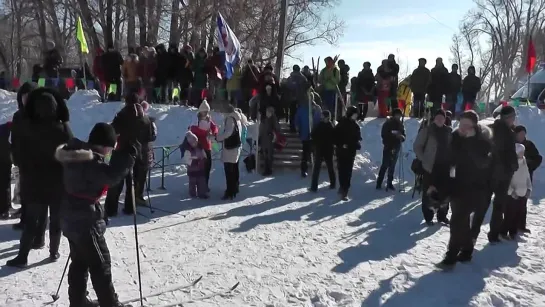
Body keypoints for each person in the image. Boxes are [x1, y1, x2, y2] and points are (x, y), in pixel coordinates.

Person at [55, 123, 137, 307]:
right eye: (111, 147)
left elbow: (104, 173)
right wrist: (127, 158)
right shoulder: (88, 162)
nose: (110, 151)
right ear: (104, 145)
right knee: (101, 265)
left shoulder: (77, 154)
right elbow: (110, 176)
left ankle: (78, 302)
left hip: (70, 216)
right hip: (83, 221)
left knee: (80, 262)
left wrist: (122, 154)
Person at [7, 87, 73, 267]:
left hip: (33, 182)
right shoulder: (62, 129)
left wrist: (26, 168)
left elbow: (18, 154)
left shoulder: (27, 128)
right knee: (56, 219)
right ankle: (54, 251)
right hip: (57, 182)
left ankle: (23, 256)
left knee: (30, 221)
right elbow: (71, 154)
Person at [437, 110, 492, 269]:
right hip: (456, 186)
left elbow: (483, 164)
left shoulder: (482, 142)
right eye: (461, 124)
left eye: (467, 126)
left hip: (475, 189)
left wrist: (470, 142)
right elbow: (449, 161)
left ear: (475, 127)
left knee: (456, 221)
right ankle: (467, 251)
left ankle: (451, 257)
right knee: (461, 222)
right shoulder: (454, 138)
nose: (463, 128)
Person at [105, 93, 155, 216]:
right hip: (138, 153)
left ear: (126, 101)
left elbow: (112, 132)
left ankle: (111, 210)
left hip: (122, 152)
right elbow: (150, 137)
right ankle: (130, 207)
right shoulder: (146, 118)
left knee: (116, 182)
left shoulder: (121, 115)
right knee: (133, 182)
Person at [413, 109, 452, 226]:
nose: (440, 120)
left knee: (445, 192)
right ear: (434, 119)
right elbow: (417, 146)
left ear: (445, 119)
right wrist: (423, 158)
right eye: (438, 118)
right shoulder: (428, 130)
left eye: (442, 118)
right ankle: (428, 217)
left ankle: (442, 216)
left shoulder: (449, 131)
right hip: (430, 167)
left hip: (445, 167)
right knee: (428, 192)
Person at [487, 105, 518, 243]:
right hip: (500, 173)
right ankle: (492, 234)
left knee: (489, 204)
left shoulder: (499, 129)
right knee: (496, 205)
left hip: (496, 172)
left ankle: (492, 233)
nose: (514, 119)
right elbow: (501, 152)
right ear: (508, 118)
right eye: (513, 117)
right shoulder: (503, 131)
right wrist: (512, 165)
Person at [11, 82, 38, 229]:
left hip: (38, 160)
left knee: (36, 194)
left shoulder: (40, 116)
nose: (26, 99)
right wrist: (15, 156)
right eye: (23, 96)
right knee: (24, 192)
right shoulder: (18, 116)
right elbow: (14, 139)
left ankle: (36, 223)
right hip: (23, 160)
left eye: (29, 96)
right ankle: (25, 218)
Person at [514, 125, 542, 233]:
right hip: (513, 179)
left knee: (523, 203)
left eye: (523, 134)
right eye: (519, 134)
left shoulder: (529, 145)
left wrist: (530, 165)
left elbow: (538, 158)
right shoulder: (512, 145)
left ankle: (521, 225)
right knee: (512, 204)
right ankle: (510, 226)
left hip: (525, 178)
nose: (521, 136)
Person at [501, 143, 532, 240]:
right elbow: (506, 180)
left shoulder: (524, 161)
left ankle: (513, 232)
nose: (522, 153)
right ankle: (503, 232)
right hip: (513, 194)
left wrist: (529, 188)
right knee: (509, 214)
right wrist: (511, 192)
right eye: (520, 152)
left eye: (523, 151)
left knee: (518, 214)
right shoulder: (511, 164)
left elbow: (527, 176)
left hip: (523, 192)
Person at [216, 105, 245, 199]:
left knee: (229, 171)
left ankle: (230, 192)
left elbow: (228, 133)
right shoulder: (237, 118)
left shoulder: (230, 119)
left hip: (230, 149)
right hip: (236, 147)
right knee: (235, 169)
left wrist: (218, 137)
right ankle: (235, 188)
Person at [334, 106, 362, 200]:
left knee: (348, 172)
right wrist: (341, 144)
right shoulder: (341, 123)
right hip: (341, 151)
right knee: (341, 171)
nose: (356, 116)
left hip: (351, 152)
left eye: (356, 115)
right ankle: (342, 187)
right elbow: (335, 137)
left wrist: (357, 143)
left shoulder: (356, 126)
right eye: (354, 114)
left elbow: (358, 137)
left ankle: (345, 190)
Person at [189, 100, 218, 188]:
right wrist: (205, 133)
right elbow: (193, 129)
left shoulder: (209, 119)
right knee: (198, 168)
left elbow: (215, 127)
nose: (206, 113)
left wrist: (214, 132)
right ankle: (198, 186)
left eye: (207, 111)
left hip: (207, 146)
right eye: (204, 111)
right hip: (198, 147)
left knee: (207, 167)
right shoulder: (196, 119)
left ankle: (205, 185)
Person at [376, 108, 405, 191]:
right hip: (388, 146)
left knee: (392, 166)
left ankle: (389, 183)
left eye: (399, 115)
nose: (398, 117)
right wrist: (394, 136)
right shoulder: (388, 123)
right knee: (385, 165)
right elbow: (384, 134)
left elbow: (403, 134)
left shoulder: (401, 124)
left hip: (396, 146)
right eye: (397, 115)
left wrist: (402, 137)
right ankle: (379, 182)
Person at [310, 110, 336, 192]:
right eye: (322, 116)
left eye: (323, 116)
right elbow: (313, 135)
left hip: (327, 150)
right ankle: (314, 187)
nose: (322, 118)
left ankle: (333, 183)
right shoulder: (320, 125)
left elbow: (334, 139)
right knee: (317, 168)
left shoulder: (330, 126)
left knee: (330, 167)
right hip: (320, 149)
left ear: (327, 117)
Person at [294, 100, 322, 177]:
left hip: (315, 135)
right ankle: (304, 170)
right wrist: (297, 127)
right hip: (305, 134)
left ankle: (315, 168)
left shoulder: (317, 109)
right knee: (305, 153)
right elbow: (297, 118)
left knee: (315, 152)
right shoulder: (302, 109)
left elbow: (320, 119)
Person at [183, 131, 208, 199]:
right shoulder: (188, 150)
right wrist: (193, 161)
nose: (195, 143)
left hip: (200, 168)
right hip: (192, 169)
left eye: (196, 141)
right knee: (192, 182)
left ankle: (202, 193)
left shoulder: (200, 148)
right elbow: (186, 159)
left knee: (201, 181)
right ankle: (192, 193)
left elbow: (204, 154)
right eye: (193, 142)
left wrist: (204, 159)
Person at [259, 106, 282, 176]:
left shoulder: (273, 120)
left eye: (268, 112)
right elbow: (262, 129)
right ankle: (266, 169)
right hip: (264, 139)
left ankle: (268, 170)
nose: (267, 113)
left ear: (271, 113)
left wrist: (272, 132)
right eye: (266, 112)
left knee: (269, 156)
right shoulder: (265, 119)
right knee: (265, 155)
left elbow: (277, 128)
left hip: (270, 139)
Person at [0, 121, 12, 219]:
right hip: (6, 160)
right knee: (5, 185)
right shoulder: (5, 128)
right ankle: (5, 209)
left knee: (4, 186)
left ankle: (4, 209)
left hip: (4, 160)